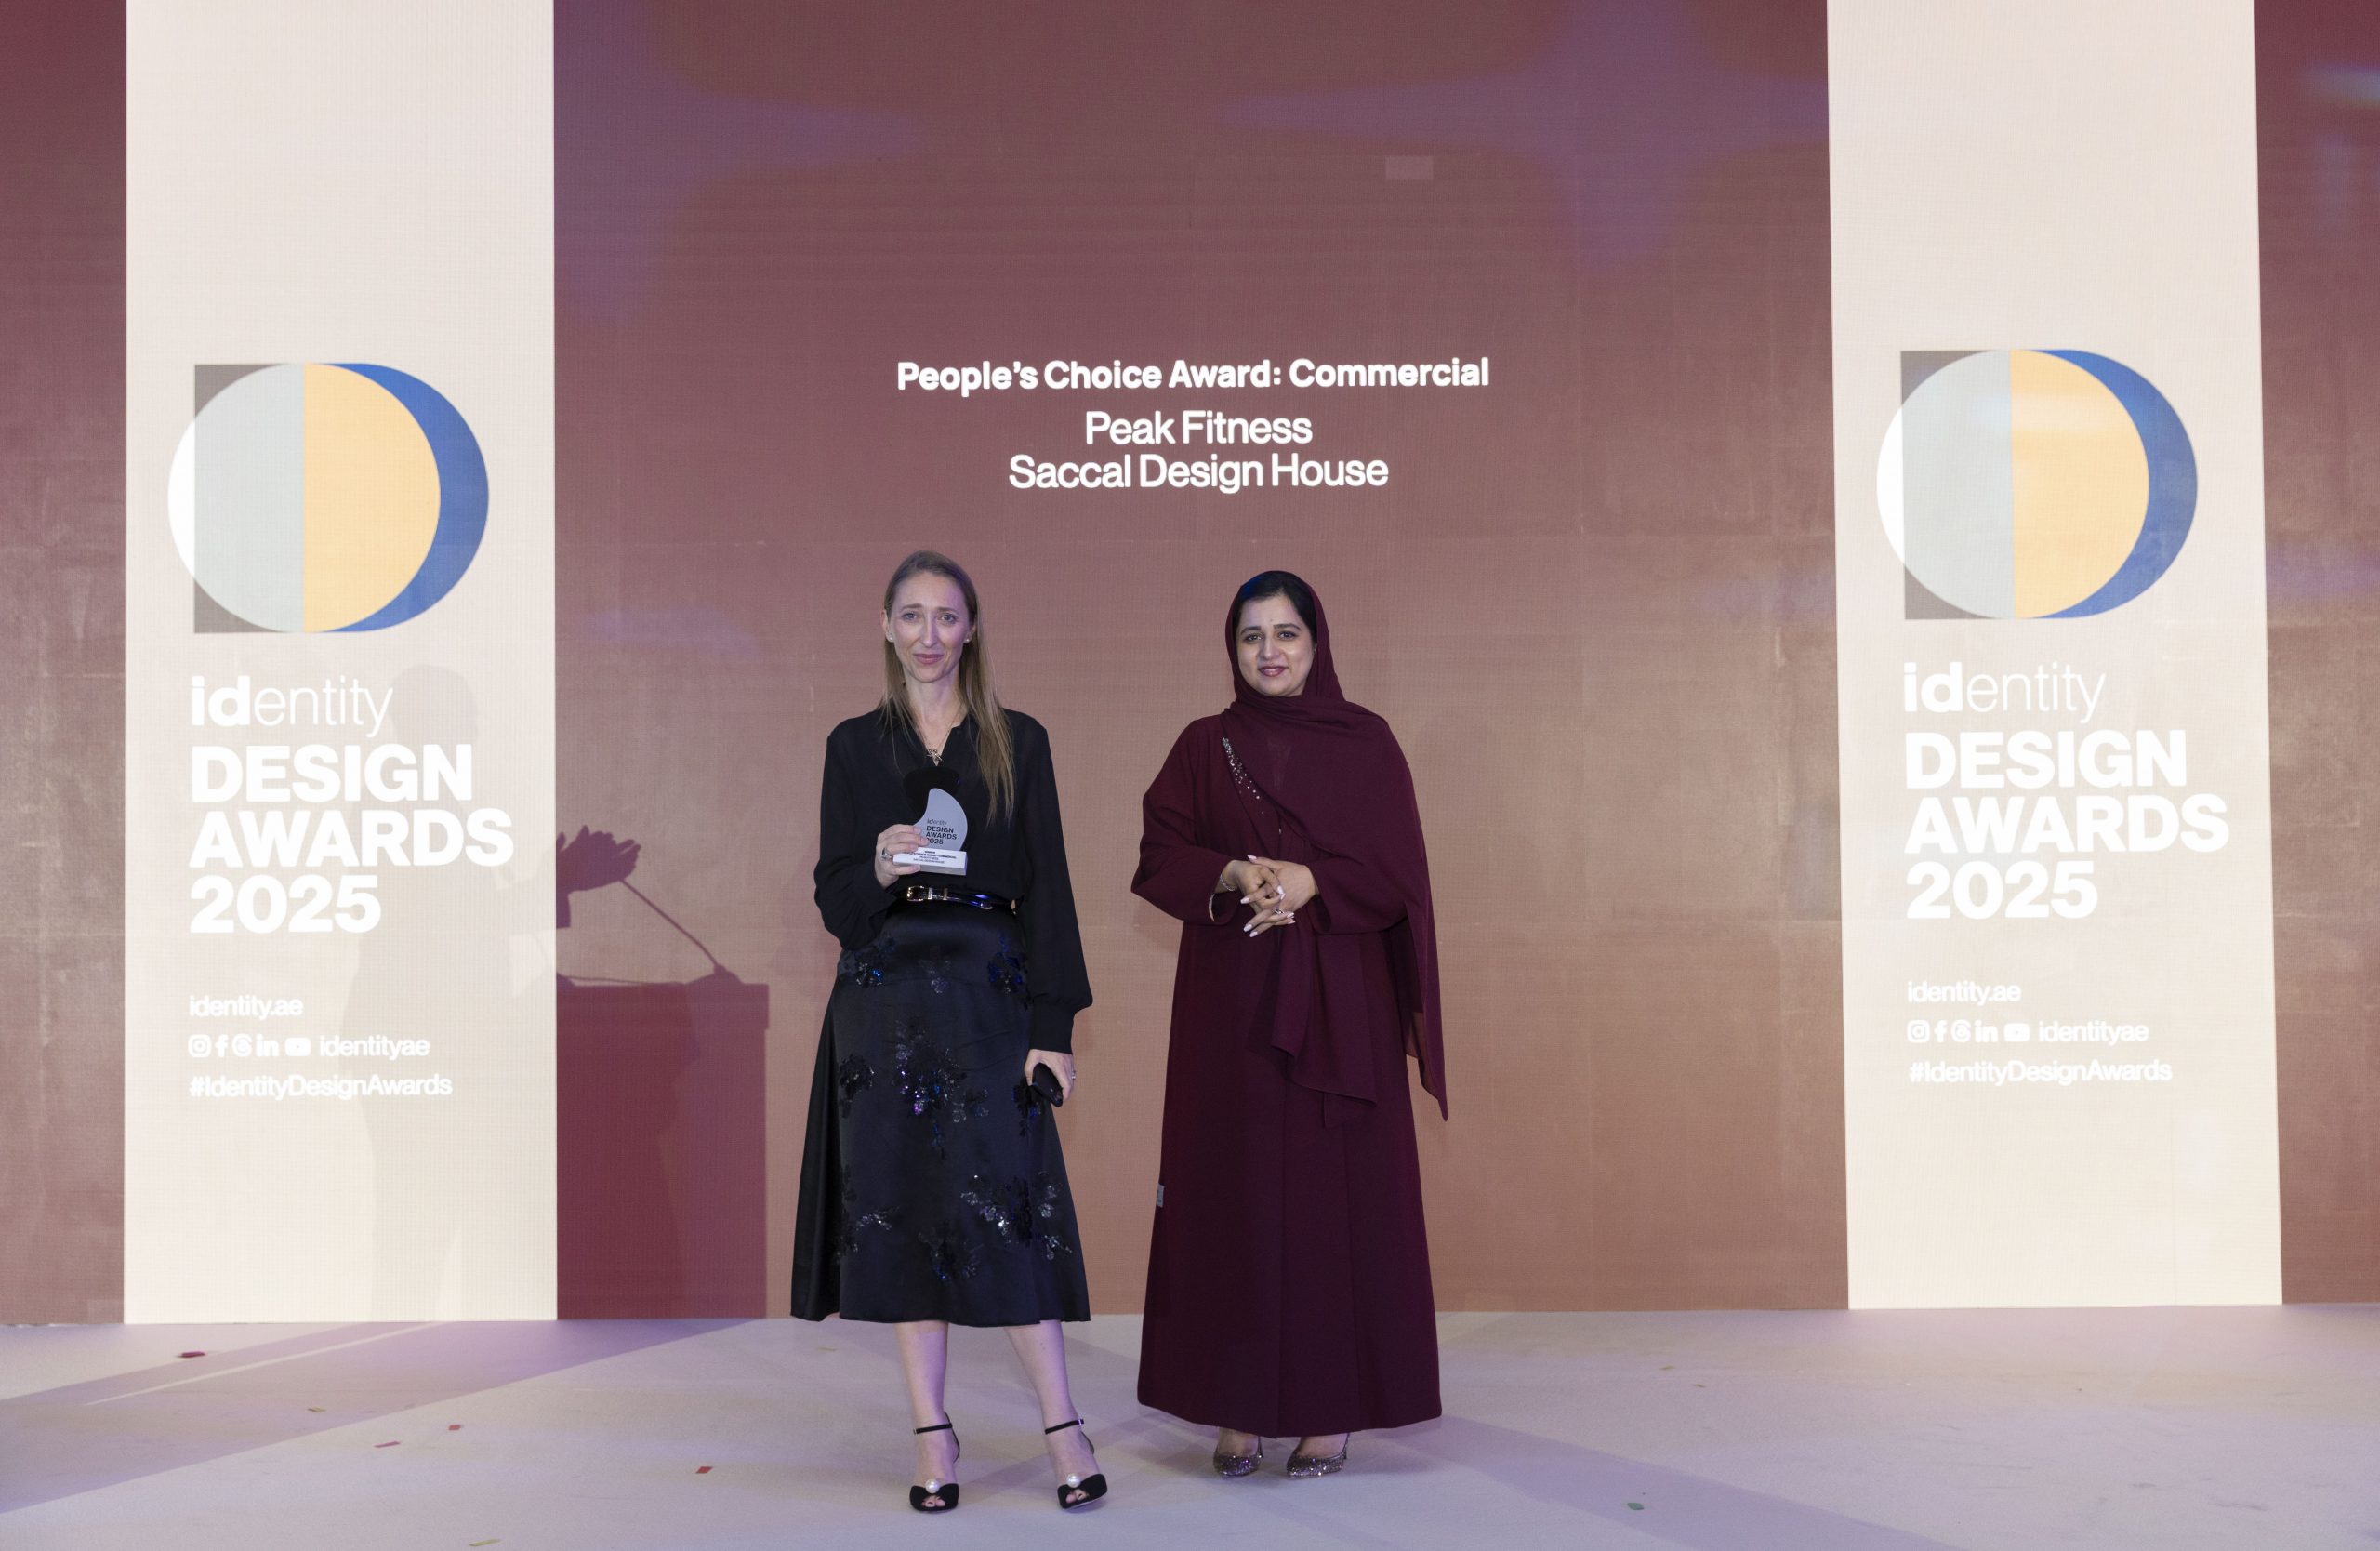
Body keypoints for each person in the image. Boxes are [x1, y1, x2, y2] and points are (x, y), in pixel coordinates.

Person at [790, 550, 1106, 1513]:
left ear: (971, 630)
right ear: (886, 628)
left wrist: (1052, 1025)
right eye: (912, 616)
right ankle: (932, 1431)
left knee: (1008, 1211)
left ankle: (1063, 1423)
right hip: (882, 1009)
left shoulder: (1020, 741)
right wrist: (879, 869)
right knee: (900, 1211)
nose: (929, 635)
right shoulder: (854, 746)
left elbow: (1049, 890)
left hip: (988, 1001)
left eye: (947, 617)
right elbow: (836, 900)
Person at [1132, 570, 1448, 1479]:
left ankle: (1327, 1410)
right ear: (1231, 650)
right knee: (1231, 1197)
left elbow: (1400, 879)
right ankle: (1239, 1406)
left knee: (1328, 1206)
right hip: (1231, 1006)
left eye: (1286, 634)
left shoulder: (1366, 742)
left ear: (1316, 642)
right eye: (1251, 636)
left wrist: (1315, 881)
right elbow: (1158, 855)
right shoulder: (1204, 745)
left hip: (1342, 1006)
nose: (1268, 652)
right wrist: (1234, 873)